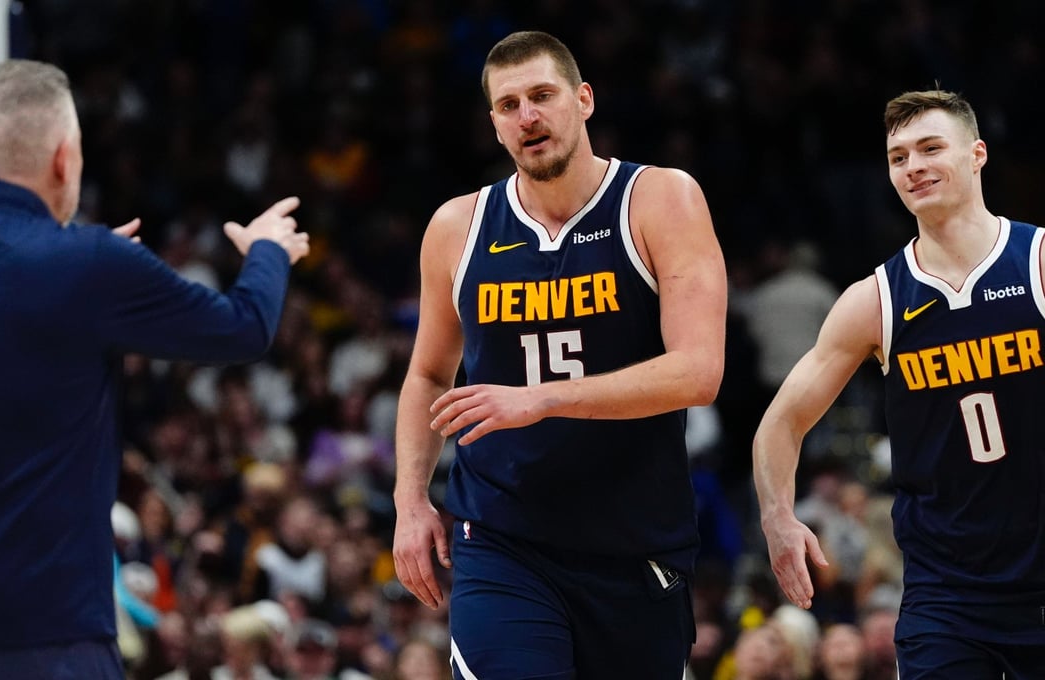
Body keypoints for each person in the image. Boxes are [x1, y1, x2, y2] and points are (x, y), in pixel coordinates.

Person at [0, 59, 309, 679]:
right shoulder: (86, 265)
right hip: (39, 620)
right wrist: (268, 250)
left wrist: (84, 275)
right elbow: (244, 328)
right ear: (64, 158)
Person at [392, 30, 727, 678]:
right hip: (501, 538)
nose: (528, 116)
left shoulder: (660, 199)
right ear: (494, 125)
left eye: (542, 96)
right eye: (509, 105)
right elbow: (429, 374)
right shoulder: (458, 227)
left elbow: (698, 371)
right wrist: (410, 501)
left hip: (634, 542)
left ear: (584, 99)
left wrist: (541, 399)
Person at [753, 89, 1045, 679]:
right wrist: (777, 517)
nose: (913, 166)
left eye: (930, 148)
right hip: (946, 592)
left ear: (977, 154)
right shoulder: (875, 300)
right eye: (898, 157)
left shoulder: (1037, 260)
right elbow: (781, 422)